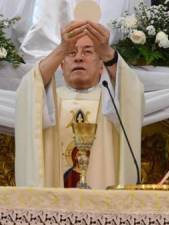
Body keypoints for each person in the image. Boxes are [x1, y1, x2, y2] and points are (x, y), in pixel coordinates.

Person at [15, 20, 144, 189]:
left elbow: (133, 93)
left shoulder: (111, 99)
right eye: (71, 53)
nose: (78, 58)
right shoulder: (49, 100)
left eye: (88, 52)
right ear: (61, 64)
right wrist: (62, 48)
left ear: (101, 66)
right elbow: (28, 90)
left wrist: (108, 53)